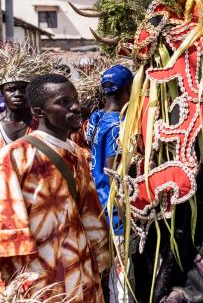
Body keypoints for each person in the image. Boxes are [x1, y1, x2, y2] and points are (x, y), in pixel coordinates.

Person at [0, 74, 109, 301]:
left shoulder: (77, 153)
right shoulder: (15, 156)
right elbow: (8, 230)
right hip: (42, 282)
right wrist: (20, 285)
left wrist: (101, 261)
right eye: (63, 102)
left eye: (75, 99)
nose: (76, 107)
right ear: (39, 112)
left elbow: (91, 216)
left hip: (82, 277)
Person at [86, 64, 133, 302]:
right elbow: (114, 168)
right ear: (129, 88)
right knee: (122, 278)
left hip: (96, 204)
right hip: (114, 210)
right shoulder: (117, 125)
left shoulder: (95, 118)